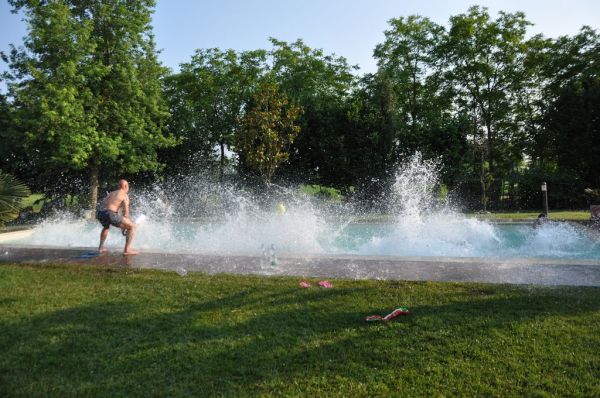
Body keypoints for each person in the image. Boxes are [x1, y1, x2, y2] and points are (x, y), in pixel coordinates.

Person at [96, 179, 139, 255]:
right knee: (132, 226)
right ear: (126, 186)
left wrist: (123, 225)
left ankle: (100, 247)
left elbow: (107, 205)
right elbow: (125, 213)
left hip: (100, 213)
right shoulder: (124, 195)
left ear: (118, 186)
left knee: (106, 227)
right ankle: (127, 250)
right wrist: (126, 226)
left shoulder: (111, 193)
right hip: (110, 213)